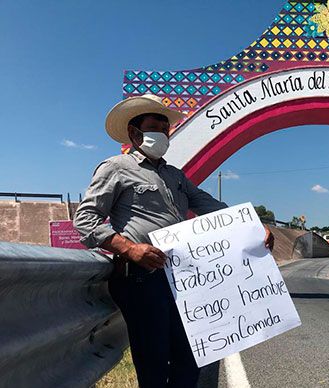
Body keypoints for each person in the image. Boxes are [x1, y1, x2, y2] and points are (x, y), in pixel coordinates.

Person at [74, 94, 274, 388]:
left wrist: (255, 225)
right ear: (134, 132)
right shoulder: (115, 168)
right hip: (141, 281)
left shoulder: (175, 176)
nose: (163, 134)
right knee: (154, 362)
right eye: (155, 126)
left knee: (192, 356)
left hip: (182, 281)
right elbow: (85, 220)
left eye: (165, 128)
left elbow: (209, 205)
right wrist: (130, 249)